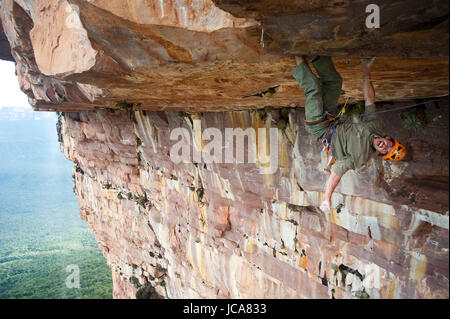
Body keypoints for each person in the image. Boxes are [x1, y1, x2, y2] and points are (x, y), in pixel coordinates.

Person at [291, 56, 406, 211]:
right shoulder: (375, 127)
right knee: (334, 82)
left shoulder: (360, 157)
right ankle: (317, 53)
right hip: (331, 116)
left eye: (385, 151)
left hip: (319, 126)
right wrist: (366, 72)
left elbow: (336, 173)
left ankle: (296, 53)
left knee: (313, 87)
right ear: (388, 138)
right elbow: (369, 100)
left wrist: (327, 197)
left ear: (380, 153)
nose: (384, 146)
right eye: (389, 145)